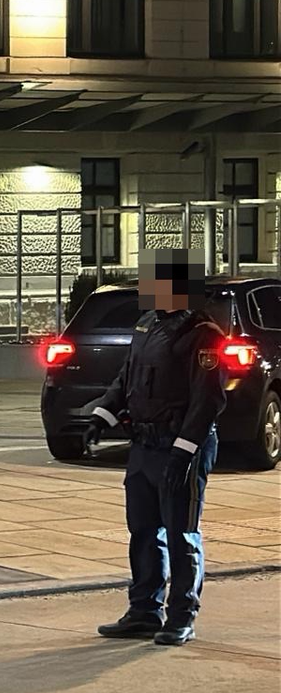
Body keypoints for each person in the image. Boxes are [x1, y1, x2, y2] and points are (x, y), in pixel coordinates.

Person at [86, 249, 226, 646]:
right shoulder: (148, 325)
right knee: (143, 531)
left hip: (180, 447)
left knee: (182, 534)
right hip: (145, 446)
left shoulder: (202, 333)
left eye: (158, 282)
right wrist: (103, 416)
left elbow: (208, 402)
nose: (149, 289)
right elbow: (125, 378)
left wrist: (184, 453)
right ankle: (144, 610)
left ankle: (182, 616)